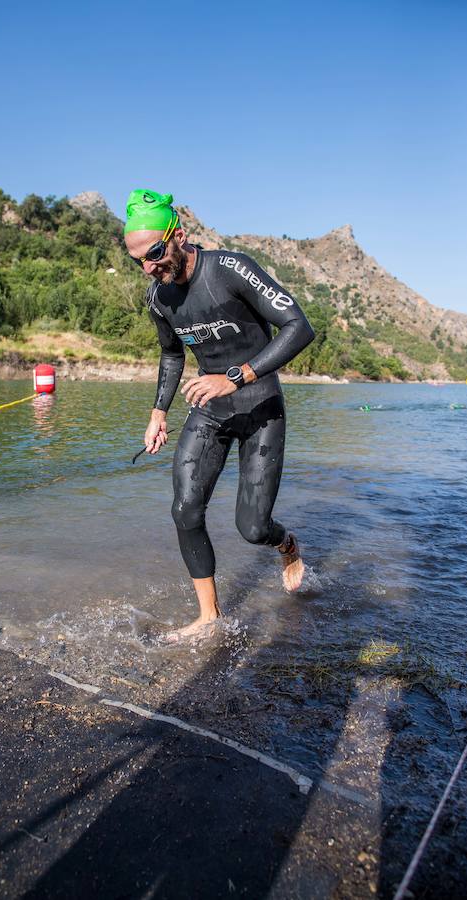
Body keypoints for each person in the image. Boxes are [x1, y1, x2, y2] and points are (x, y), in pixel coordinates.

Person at [124, 190, 315, 641]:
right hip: (211, 407)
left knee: (252, 529)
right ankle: (209, 617)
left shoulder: (230, 269)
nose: (150, 268)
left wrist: (237, 376)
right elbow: (172, 356)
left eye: (154, 254)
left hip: (260, 406)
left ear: (179, 236)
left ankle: (286, 545)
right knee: (185, 510)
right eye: (139, 262)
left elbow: (299, 327)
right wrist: (157, 413)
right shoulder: (159, 299)